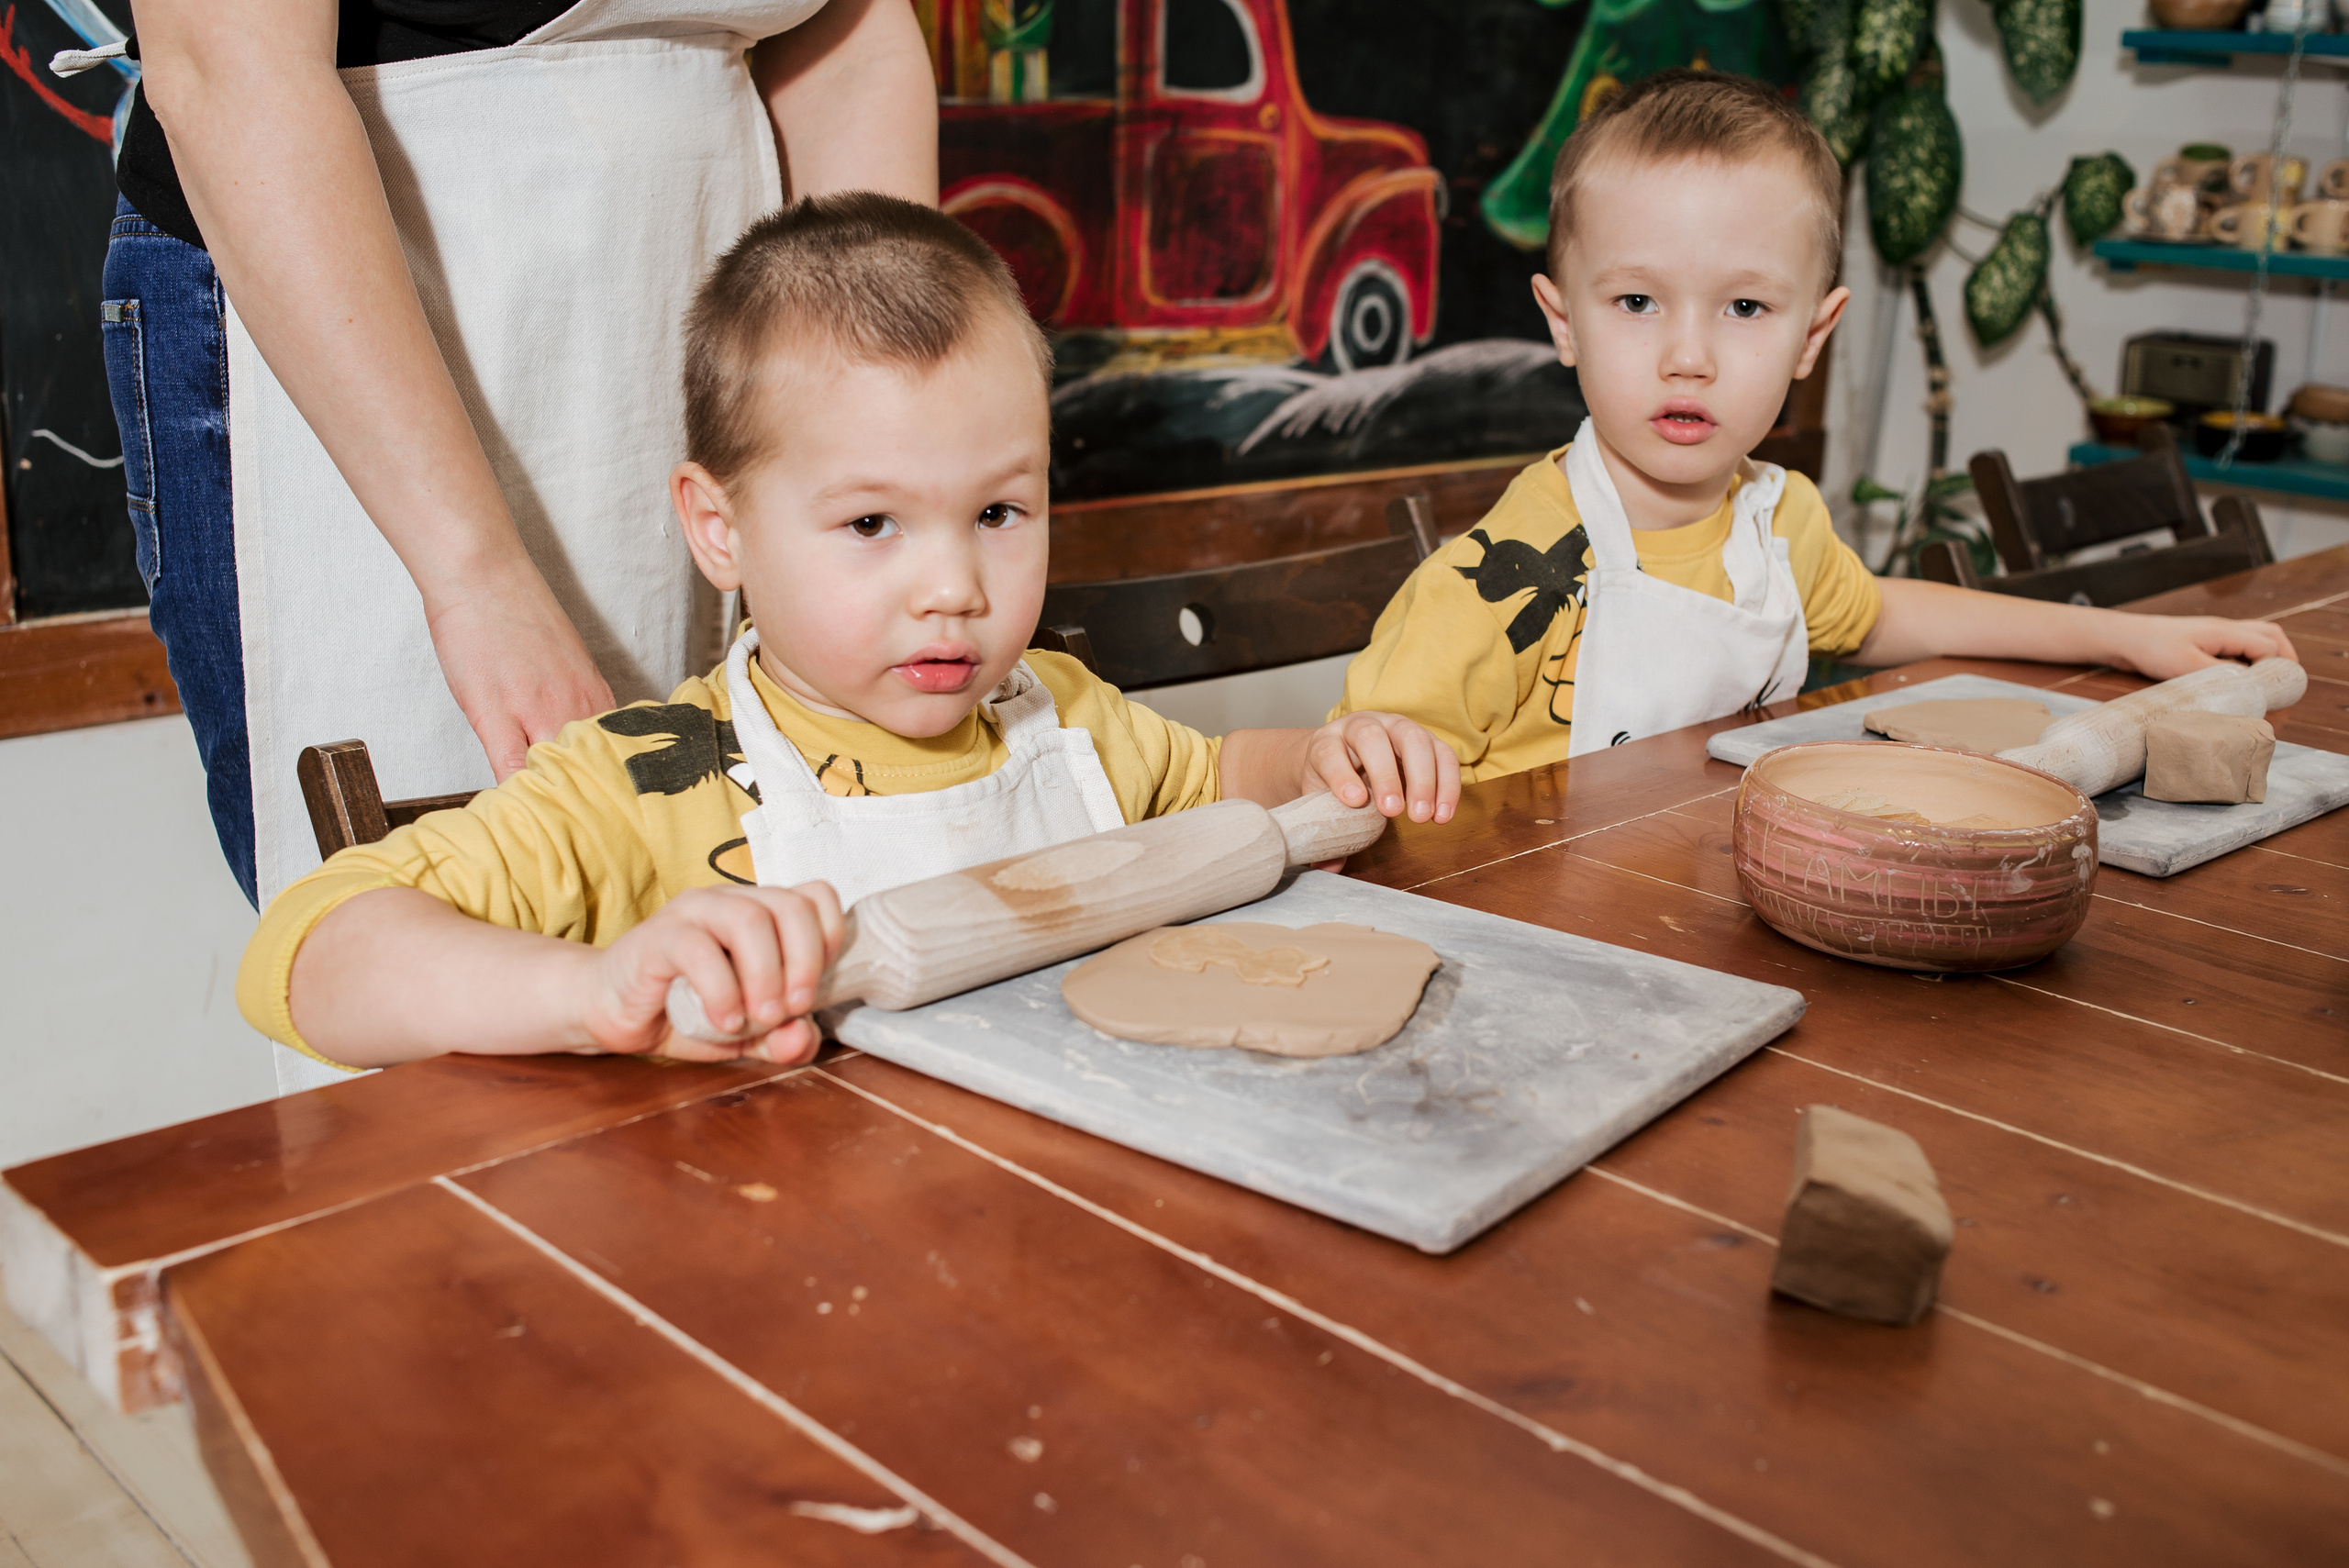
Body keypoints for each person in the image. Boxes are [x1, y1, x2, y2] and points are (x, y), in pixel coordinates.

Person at [237, 195, 1463, 1073]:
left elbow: (1214, 789)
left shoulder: (1061, 716)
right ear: (719, 530)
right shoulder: (650, 780)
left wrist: (1316, 764)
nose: (953, 589)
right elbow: (300, 954)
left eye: (998, 511)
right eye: (873, 522)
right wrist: (587, 990)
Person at [109, 0, 936, 1093]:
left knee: (716, 945)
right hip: (359, 300)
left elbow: (850, 39)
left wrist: (894, 469)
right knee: (471, 994)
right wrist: (475, 573)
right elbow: (230, 67)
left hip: (695, 275)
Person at [1331, 71, 2299, 781]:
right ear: (1562, 320)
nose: (1688, 355)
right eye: (1636, 301)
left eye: (1744, 309)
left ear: (1812, 333)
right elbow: (1357, 771)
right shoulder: (1501, 572)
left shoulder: (1776, 521)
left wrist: (2134, 641)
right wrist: (1360, 752)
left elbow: (1884, 613)